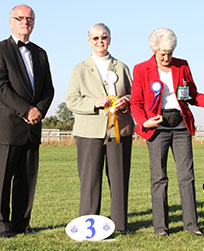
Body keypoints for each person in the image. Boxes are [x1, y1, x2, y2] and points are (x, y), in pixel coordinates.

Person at [130, 28, 204, 236]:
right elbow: (136, 103)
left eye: (170, 52)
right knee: (159, 178)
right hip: (156, 130)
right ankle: (160, 228)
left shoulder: (182, 65)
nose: (167, 58)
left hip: (181, 128)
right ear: (154, 50)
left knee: (187, 176)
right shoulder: (141, 69)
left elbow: (192, 96)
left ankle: (191, 225)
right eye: (162, 54)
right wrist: (144, 122)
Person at [66, 23, 134, 232]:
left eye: (103, 37)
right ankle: (89, 224)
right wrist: (94, 102)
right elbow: (71, 101)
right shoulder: (80, 69)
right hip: (89, 131)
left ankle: (120, 225)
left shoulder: (121, 67)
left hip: (119, 131)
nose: (100, 41)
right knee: (89, 180)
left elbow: (133, 95)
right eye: (95, 38)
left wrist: (125, 102)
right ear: (89, 41)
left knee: (119, 179)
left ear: (110, 39)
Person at [0, 5, 54, 238]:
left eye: (29, 19)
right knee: (2, 178)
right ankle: (2, 225)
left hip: (33, 127)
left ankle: (22, 223)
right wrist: (25, 110)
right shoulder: (1, 50)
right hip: (8, 127)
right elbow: (2, 86)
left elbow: (48, 89)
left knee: (27, 179)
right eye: (20, 18)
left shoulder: (41, 53)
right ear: (10, 21)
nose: (25, 22)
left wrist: (39, 110)